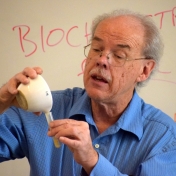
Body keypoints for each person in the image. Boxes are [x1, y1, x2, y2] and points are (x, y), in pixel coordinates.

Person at [0, 9, 176, 176]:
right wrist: (1, 101)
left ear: (144, 70)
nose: (101, 60)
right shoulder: (40, 108)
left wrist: (93, 162)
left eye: (119, 55)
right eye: (97, 49)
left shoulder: (164, 137)